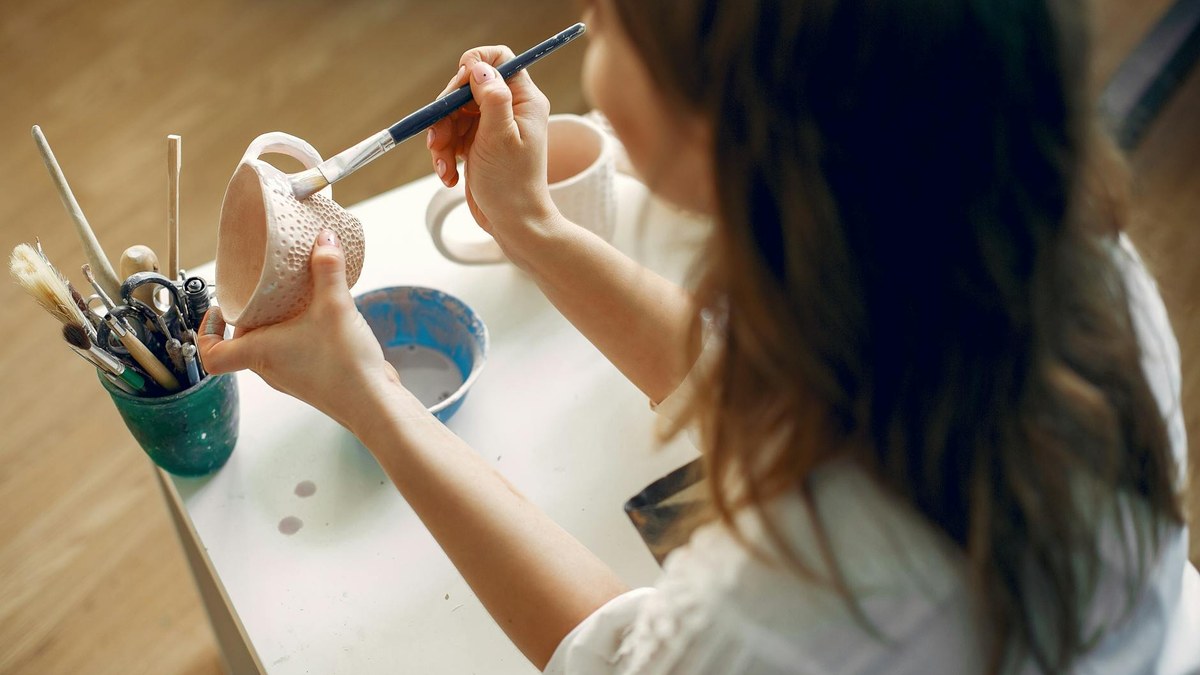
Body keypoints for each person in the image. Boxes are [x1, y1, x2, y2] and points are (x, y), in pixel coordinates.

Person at [198, 0, 1200, 672]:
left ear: (728, 127)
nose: (581, 23)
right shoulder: (1069, 273)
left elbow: (620, 657)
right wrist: (530, 224)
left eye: (611, 20)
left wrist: (371, 399)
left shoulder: (797, 596)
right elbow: (782, 402)